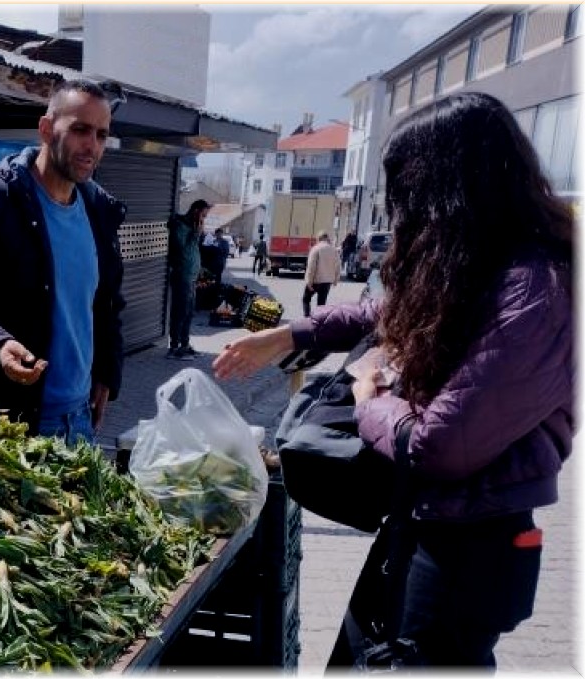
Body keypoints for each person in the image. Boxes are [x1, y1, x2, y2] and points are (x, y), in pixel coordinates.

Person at [214, 91, 573, 669]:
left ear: (452, 192)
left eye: (408, 194)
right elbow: (387, 312)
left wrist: (369, 398)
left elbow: (442, 445)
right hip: (427, 524)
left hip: (471, 547)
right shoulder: (482, 268)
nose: (402, 215)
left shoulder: (537, 291)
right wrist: (287, 337)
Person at [0, 79, 126, 445]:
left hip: (79, 420)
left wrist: (108, 372)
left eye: (101, 135)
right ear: (46, 129)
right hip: (8, 424)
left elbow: (107, 304)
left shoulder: (100, 211)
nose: (91, 146)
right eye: (80, 130)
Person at [166, 199, 209, 360]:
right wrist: (195, 233)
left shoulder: (192, 227)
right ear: (196, 211)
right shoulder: (180, 226)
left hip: (191, 276)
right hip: (182, 275)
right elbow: (181, 247)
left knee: (189, 312)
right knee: (180, 311)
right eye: (203, 214)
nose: (204, 219)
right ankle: (174, 347)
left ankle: (185, 344)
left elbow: (193, 250)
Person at [302, 231, 340, 317]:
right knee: (321, 305)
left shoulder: (316, 249)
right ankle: (318, 322)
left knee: (306, 299)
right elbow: (338, 266)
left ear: (319, 238)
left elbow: (311, 266)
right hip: (327, 282)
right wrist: (336, 280)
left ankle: (307, 319)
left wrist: (309, 281)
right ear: (327, 238)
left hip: (316, 280)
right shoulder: (333, 250)